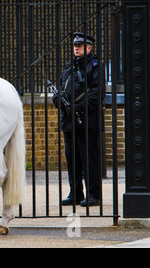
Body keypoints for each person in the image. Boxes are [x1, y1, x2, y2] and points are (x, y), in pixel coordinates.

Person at [52, 32, 105, 207]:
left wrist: (78, 107)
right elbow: (61, 88)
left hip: (87, 122)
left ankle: (93, 195)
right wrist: (58, 101)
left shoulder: (95, 66)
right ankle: (75, 193)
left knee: (90, 160)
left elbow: (97, 94)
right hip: (69, 123)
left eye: (80, 46)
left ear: (89, 48)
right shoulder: (69, 66)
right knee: (73, 160)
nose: (76, 48)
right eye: (75, 46)